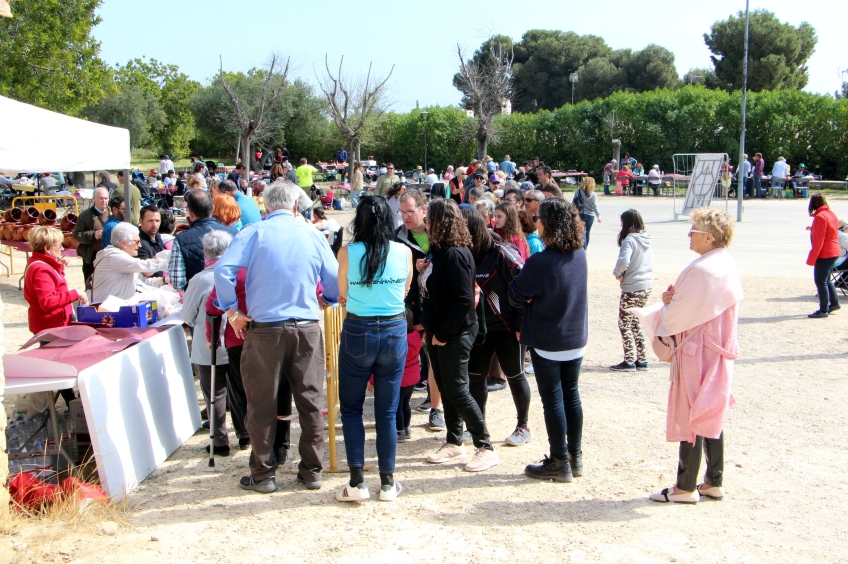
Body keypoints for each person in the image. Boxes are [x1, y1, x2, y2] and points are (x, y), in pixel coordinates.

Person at [214, 180, 341, 494]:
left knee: (261, 403)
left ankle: (263, 473)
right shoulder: (313, 234)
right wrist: (329, 299)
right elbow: (334, 277)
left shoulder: (253, 233)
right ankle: (312, 471)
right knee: (310, 401)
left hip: (264, 329)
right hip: (307, 327)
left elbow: (223, 270)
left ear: (266, 207)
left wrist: (232, 311)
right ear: (296, 205)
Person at [632, 208, 743, 504]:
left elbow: (677, 315)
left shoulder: (702, 269)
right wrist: (673, 300)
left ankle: (685, 487)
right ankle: (713, 480)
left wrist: (665, 305)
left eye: (693, 230)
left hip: (698, 352)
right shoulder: (725, 263)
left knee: (691, 415)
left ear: (709, 237)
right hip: (717, 351)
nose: (689, 235)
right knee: (711, 410)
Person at [335, 195, 412, 502]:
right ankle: (388, 481)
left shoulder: (347, 252)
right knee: (387, 411)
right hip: (394, 329)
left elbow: (342, 292)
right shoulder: (403, 251)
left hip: (359, 328)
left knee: (352, 408)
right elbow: (404, 290)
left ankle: (356, 482)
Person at [508, 197, 587, 482]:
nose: (536, 221)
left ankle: (558, 461)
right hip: (575, 337)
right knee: (571, 396)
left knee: (554, 401)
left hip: (549, 340)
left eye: (539, 218)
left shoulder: (541, 260)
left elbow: (515, 294)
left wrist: (527, 291)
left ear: (549, 224)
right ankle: (574, 457)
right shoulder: (579, 253)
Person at [421, 199, 499, 472]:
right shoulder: (439, 250)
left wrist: (442, 333)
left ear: (439, 222)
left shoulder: (455, 253)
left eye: (428, 218)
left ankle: (485, 445)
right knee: (446, 388)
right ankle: (454, 441)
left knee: (457, 389)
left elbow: (465, 301)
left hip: (455, 332)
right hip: (438, 332)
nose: (425, 223)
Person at [462, 208, 532, 446]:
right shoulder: (465, 254)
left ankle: (523, 426)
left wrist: (522, 323)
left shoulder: (501, 252)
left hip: (507, 328)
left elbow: (524, 286)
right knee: (475, 378)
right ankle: (478, 425)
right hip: (479, 330)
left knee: (514, 375)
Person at [395, 190, 446, 430]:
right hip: (411, 308)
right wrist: (412, 269)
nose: (405, 216)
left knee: (436, 359)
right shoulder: (396, 239)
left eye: (410, 211)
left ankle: (437, 409)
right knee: (410, 356)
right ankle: (400, 410)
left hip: (438, 306)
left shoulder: (440, 234)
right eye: (402, 212)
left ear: (423, 210)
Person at [182, 231, 234, 456]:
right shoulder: (238, 275)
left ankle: (220, 440)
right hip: (236, 342)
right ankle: (244, 435)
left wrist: (197, 321)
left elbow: (187, 314)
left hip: (209, 344)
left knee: (214, 394)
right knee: (241, 393)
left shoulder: (200, 279)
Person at [168, 190, 238, 292]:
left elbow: (177, 282)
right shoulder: (234, 233)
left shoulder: (181, 239)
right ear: (213, 209)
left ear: (190, 214)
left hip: (197, 297)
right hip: (230, 295)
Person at [610, 210, 653, 372]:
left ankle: (629, 360)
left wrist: (618, 274)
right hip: (646, 285)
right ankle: (642, 359)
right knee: (635, 322)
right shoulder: (646, 239)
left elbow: (624, 260)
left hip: (632, 285)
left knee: (624, 323)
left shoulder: (630, 240)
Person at [25, 226, 88, 333]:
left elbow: (54, 286)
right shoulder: (41, 269)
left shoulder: (40, 264)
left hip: (52, 325)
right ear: (47, 248)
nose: (62, 248)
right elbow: (48, 302)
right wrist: (75, 294)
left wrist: (59, 269)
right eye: (59, 245)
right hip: (51, 326)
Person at [91, 223, 170, 302]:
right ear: (123, 243)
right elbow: (141, 265)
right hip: (105, 311)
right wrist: (167, 263)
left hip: (116, 309)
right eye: (137, 241)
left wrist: (164, 280)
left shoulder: (124, 260)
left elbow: (141, 283)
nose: (140, 245)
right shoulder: (113, 256)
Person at [805, 194, 841, 318]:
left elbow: (819, 241)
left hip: (826, 253)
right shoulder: (831, 214)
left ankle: (823, 309)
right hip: (834, 251)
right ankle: (834, 303)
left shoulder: (820, 217)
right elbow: (829, 231)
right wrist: (813, 228)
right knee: (827, 279)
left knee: (820, 281)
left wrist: (812, 258)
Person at [72, 186, 109, 284]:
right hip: (91, 256)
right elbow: (76, 234)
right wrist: (93, 235)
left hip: (108, 256)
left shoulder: (113, 213)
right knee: (91, 285)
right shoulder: (85, 215)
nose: (104, 201)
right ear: (94, 199)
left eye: (106, 198)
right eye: (101, 198)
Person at [137, 205, 167, 280]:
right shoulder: (138, 242)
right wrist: (160, 256)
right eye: (150, 221)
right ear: (141, 221)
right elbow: (146, 271)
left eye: (157, 221)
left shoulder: (157, 236)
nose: (154, 225)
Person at [572, 177, 602, 250]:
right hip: (590, 215)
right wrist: (599, 215)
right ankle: (585, 248)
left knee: (581, 231)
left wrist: (570, 211)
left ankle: (581, 247)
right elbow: (595, 206)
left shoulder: (578, 191)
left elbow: (573, 203)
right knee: (587, 232)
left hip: (580, 214)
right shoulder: (593, 195)